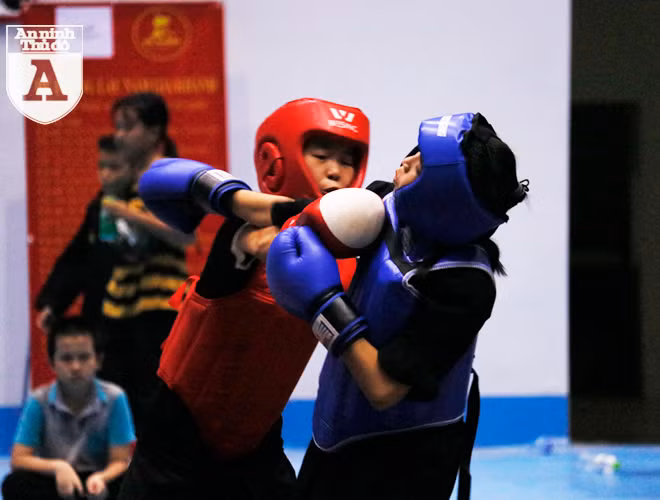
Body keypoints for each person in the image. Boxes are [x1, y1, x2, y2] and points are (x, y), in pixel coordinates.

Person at [116, 97, 370, 500]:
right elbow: (158, 181)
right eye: (321, 156)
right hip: (179, 432)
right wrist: (281, 210)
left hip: (256, 435)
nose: (336, 170)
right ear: (277, 159)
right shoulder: (245, 229)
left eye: (348, 160)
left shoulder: (351, 254)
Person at [266, 112, 529, 500]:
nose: (406, 161)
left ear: (440, 200)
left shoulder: (466, 283)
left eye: (421, 167)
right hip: (338, 427)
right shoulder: (386, 204)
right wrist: (216, 192)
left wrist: (325, 305)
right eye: (417, 152)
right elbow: (301, 212)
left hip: (409, 456)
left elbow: (383, 389)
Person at [99, 92, 194, 434]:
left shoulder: (169, 174)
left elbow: (185, 234)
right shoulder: (125, 180)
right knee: (119, 396)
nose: (120, 135)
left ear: (154, 132)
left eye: (128, 127)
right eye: (117, 127)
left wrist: (126, 214)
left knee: (155, 398)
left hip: (159, 303)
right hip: (121, 303)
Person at [1, 316, 135, 500]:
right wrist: (58, 467)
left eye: (84, 357)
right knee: (14, 483)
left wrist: (102, 478)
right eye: (66, 358)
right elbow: (19, 459)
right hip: (56, 482)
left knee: (130, 482)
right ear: (52, 362)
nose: (75, 366)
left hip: (97, 481)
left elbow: (120, 460)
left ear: (98, 360)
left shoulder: (115, 398)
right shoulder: (39, 400)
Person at [34, 135, 131, 334]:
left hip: (138, 316)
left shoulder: (149, 207)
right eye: (101, 167)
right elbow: (78, 258)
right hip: (100, 314)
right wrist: (54, 304)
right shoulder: (100, 207)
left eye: (114, 167)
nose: (105, 174)